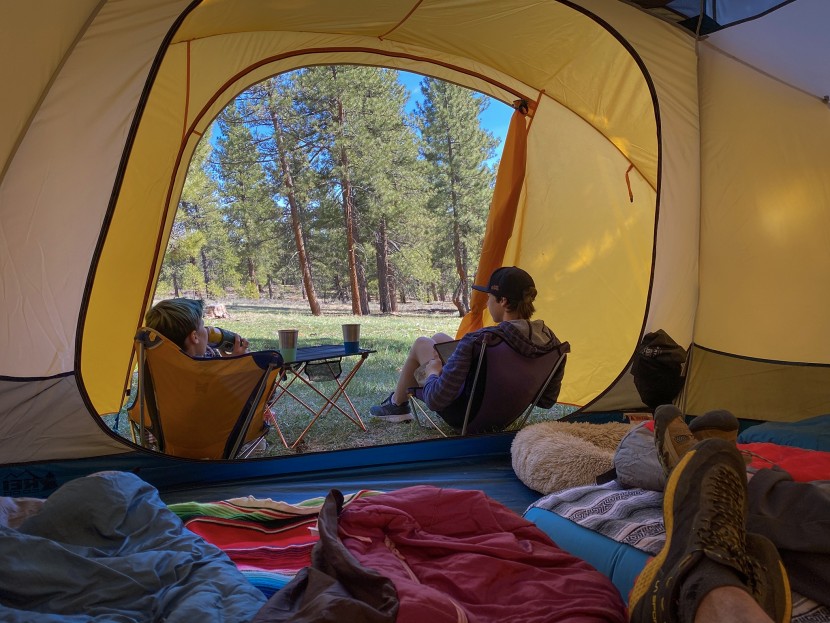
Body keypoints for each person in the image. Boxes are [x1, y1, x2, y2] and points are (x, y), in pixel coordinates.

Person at [369, 266, 565, 424]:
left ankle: (397, 404)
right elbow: (546, 401)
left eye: (489, 297)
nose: (487, 303)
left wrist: (433, 372)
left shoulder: (483, 339)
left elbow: (436, 399)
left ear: (503, 301)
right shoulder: (551, 342)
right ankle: (398, 402)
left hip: (467, 415)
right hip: (505, 413)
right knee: (439, 338)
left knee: (423, 343)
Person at [144, 298, 249, 357]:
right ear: (194, 337)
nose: (207, 329)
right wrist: (235, 364)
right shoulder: (203, 373)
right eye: (203, 325)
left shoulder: (161, 365)